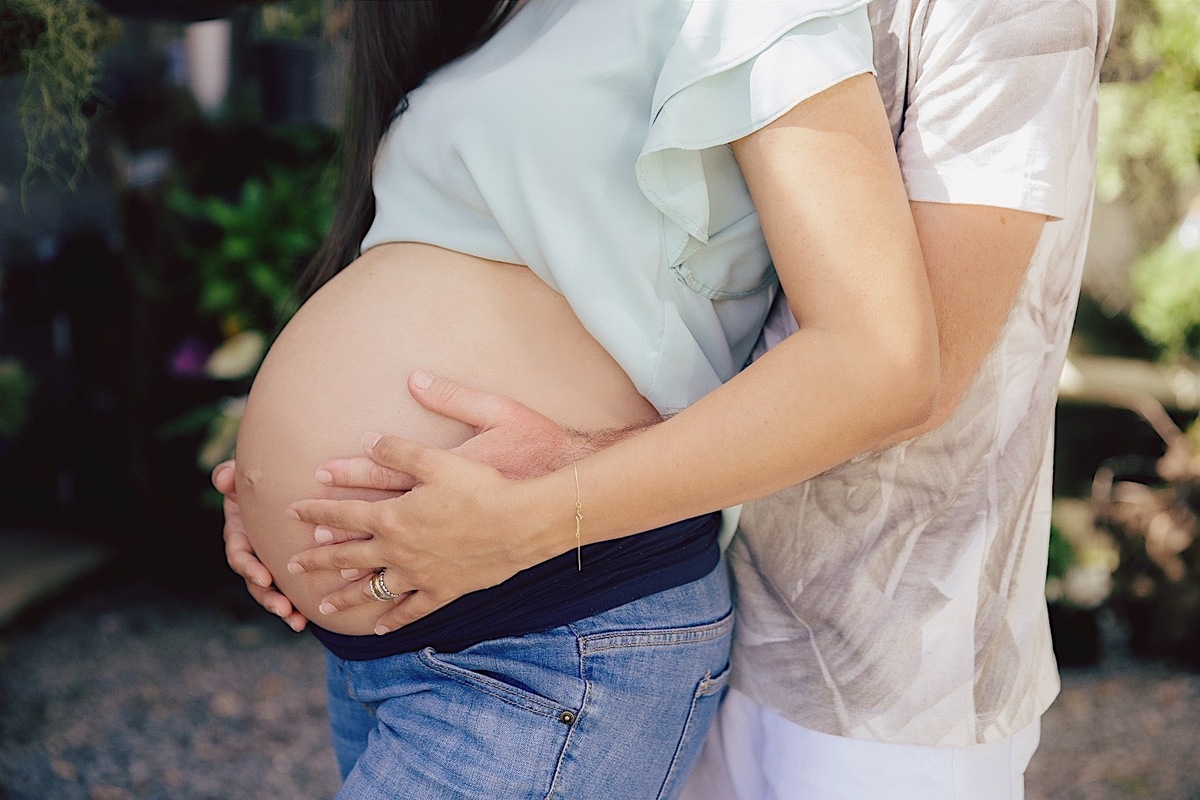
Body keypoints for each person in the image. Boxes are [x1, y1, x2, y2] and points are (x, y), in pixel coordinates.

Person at [224, 0, 1115, 797]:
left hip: (545, 634)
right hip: (395, 640)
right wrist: (284, 490)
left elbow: (887, 364)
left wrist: (531, 513)